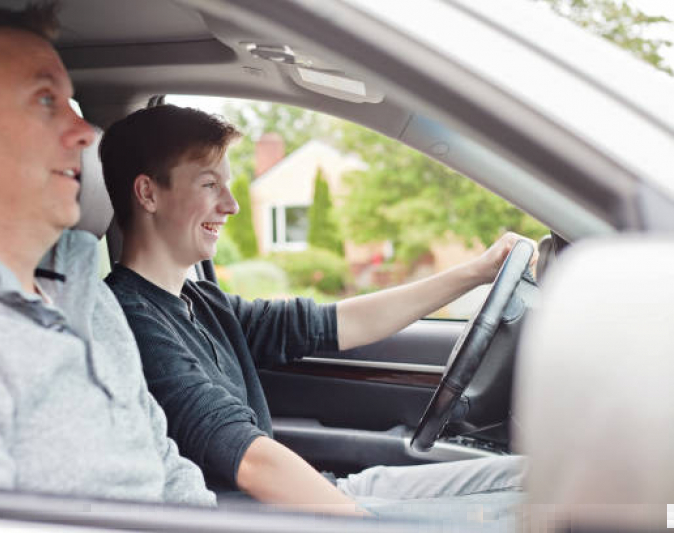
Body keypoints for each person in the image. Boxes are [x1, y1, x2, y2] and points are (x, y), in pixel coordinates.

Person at [100, 105, 528, 515]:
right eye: (210, 185)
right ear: (148, 193)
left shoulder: (203, 302)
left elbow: (339, 323)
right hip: (258, 514)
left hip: (317, 495)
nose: (231, 205)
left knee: (529, 479)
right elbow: (245, 457)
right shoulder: (128, 318)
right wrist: (356, 519)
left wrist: (476, 271)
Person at [0, 5, 214, 506]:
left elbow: (162, 464)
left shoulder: (89, 294)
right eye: (44, 100)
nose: (82, 134)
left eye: (71, 103)